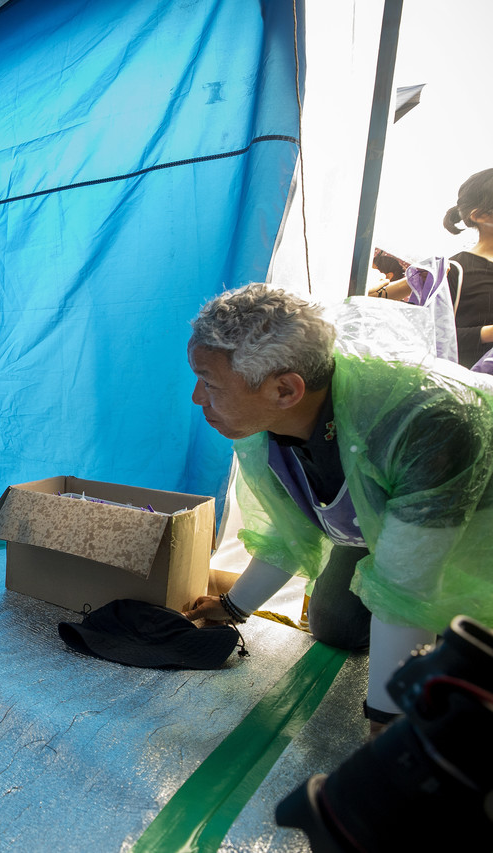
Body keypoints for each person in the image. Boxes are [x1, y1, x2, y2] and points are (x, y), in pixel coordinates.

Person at [183, 283, 493, 730]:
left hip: (474, 524)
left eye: (210, 383)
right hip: (385, 518)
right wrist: (234, 607)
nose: (198, 397)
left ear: (286, 389)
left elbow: (405, 587)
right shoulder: (271, 418)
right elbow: (289, 529)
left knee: (454, 633)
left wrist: (389, 718)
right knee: (335, 625)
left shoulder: (427, 424)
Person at [441, 168, 493, 367]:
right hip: (468, 391)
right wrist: (488, 332)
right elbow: (432, 337)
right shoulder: (453, 269)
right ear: (480, 216)